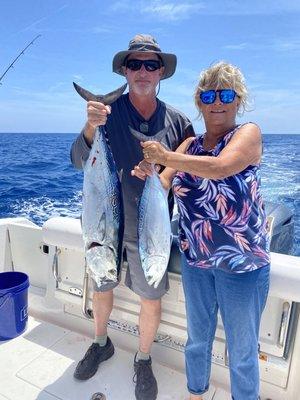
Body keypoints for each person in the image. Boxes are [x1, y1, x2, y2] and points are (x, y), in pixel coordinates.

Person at [132, 61, 270, 400]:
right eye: (209, 95)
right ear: (200, 101)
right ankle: (195, 394)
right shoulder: (189, 146)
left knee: (241, 352)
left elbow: (221, 168)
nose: (217, 102)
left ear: (238, 100)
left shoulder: (247, 134)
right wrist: (149, 170)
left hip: (242, 266)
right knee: (197, 340)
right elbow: (163, 181)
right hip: (197, 264)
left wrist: (165, 156)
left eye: (226, 94)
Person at [70, 34, 195, 400]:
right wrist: (92, 125)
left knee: (149, 298)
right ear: (125, 70)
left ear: (161, 73)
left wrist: (161, 172)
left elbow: (188, 165)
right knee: (102, 287)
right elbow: (79, 160)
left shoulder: (179, 122)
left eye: (151, 64)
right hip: (106, 224)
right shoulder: (106, 115)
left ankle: (143, 359)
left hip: (150, 231)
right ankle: (101, 342)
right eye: (135, 64)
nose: (143, 71)